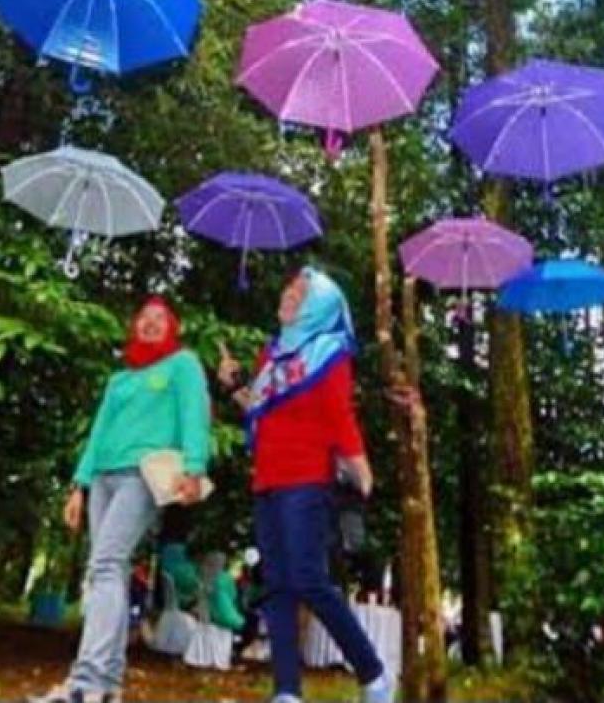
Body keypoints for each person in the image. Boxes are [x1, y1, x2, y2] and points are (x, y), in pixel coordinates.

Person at [218, 266, 394, 703]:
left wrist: (361, 469)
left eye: (301, 292)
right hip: (267, 480)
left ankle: (373, 674)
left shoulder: (329, 352)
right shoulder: (272, 352)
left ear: (320, 307)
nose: (289, 295)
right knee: (276, 586)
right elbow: (259, 410)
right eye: (290, 288)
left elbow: (339, 415)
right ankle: (287, 691)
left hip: (307, 480)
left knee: (308, 580)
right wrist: (233, 385)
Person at [29, 296, 212, 703]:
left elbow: (194, 416)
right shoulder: (119, 380)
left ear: (173, 327)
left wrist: (194, 468)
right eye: (143, 318)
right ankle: (107, 685)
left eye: (159, 318)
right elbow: (98, 434)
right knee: (107, 571)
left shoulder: (182, 364)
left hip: (142, 475)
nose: (150, 323)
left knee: (106, 565)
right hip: (103, 477)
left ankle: (86, 682)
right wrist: (79, 486)